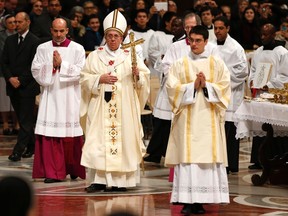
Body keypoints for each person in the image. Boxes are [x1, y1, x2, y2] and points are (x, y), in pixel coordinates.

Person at [80, 9, 150, 193]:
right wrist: (98, 79)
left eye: (116, 36)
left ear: (122, 37)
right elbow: (83, 79)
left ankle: (121, 181)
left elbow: (143, 80)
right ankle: (98, 180)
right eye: (109, 36)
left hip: (124, 109)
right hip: (100, 107)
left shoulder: (130, 56)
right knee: (98, 142)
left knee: (123, 143)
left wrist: (138, 77)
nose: (112, 39)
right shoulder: (95, 56)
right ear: (105, 36)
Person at [165, 25, 231, 214]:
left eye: (198, 40)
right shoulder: (180, 64)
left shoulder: (216, 63)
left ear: (205, 41)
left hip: (208, 121)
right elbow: (172, 88)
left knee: (205, 161)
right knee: (188, 160)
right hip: (187, 120)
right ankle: (187, 201)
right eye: (191, 40)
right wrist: (192, 87)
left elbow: (225, 87)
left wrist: (207, 86)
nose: (193, 44)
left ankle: (203, 200)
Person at [31, 18, 86, 183]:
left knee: (71, 134)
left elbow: (82, 72)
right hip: (51, 96)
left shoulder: (78, 49)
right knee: (51, 134)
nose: (58, 34)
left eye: (62, 31)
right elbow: (35, 69)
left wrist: (63, 64)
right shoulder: (42, 48)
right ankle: (54, 172)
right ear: (50, 30)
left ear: (67, 30)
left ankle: (73, 168)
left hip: (70, 96)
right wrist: (52, 67)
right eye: (55, 31)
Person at [248, 23, 288, 169]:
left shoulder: (282, 52)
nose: (263, 37)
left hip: (274, 96)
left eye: (266, 35)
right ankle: (259, 159)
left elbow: (285, 76)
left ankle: (276, 159)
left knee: (276, 129)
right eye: (261, 34)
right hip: (260, 95)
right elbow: (252, 71)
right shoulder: (258, 51)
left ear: (273, 35)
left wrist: (269, 85)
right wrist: (252, 80)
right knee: (260, 126)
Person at [2, 11, 40, 161]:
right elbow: (4, 62)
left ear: (28, 22)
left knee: (25, 120)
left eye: (19, 22)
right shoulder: (10, 40)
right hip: (12, 86)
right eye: (15, 22)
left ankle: (18, 150)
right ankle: (32, 146)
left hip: (27, 87)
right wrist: (10, 78)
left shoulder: (35, 41)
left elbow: (34, 65)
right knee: (23, 118)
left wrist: (21, 80)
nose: (16, 25)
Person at [213, 16, 248, 174]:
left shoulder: (236, 48)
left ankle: (230, 164)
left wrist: (221, 75)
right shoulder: (211, 45)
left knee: (229, 130)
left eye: (221, 28)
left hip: (231, 95)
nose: (217, 31)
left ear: (228, 28)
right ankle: (218, 162)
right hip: (214, 94)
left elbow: (242, 72)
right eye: (215, 28)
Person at [0, 14, 19, 136]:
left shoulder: (20, 35)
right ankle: (6, 123)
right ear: (5, 24)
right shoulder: (1, 35)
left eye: (14, 22)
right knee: (4, 99)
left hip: (17, 71)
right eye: (10, 22)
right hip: (2, 70)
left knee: (16, 99)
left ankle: (17, 123)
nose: (13, 24)